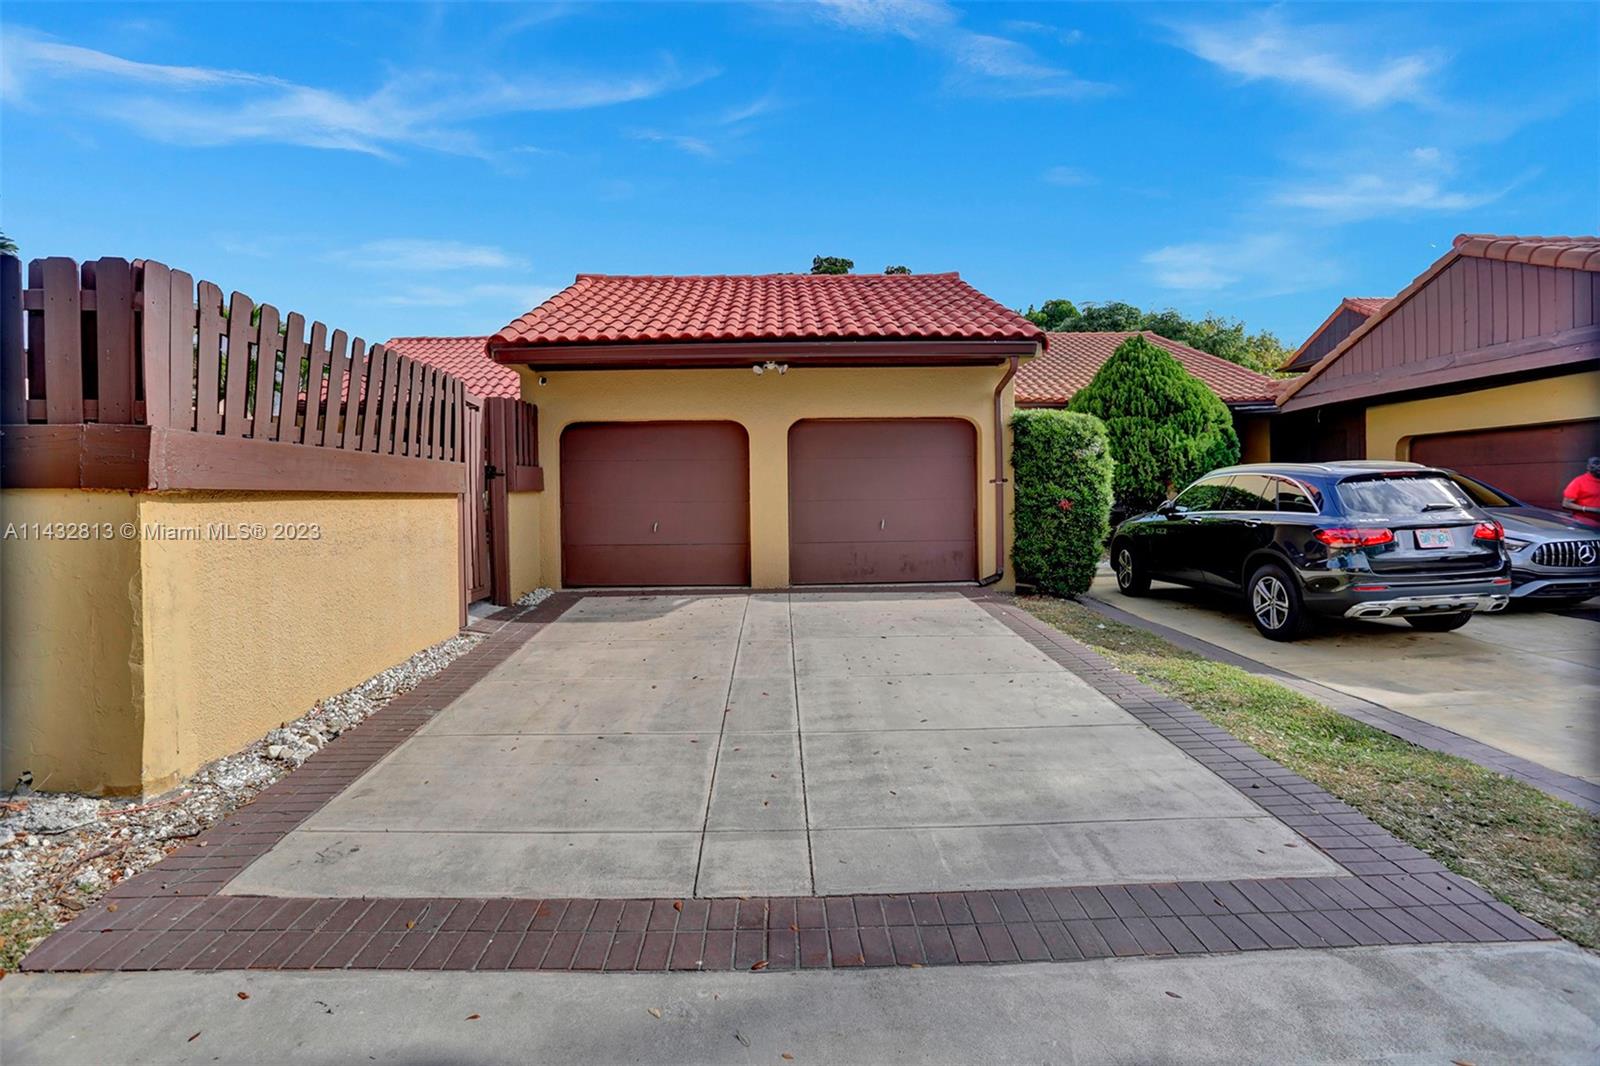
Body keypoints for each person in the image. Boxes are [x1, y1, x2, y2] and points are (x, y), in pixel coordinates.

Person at [1561, 456, 1600, 524]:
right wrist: (1589, 509)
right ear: (1588, 467)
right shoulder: (1579, 481)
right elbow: (1566, 504)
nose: (1599, 466)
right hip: (1584, 525)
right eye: (1596, 463)